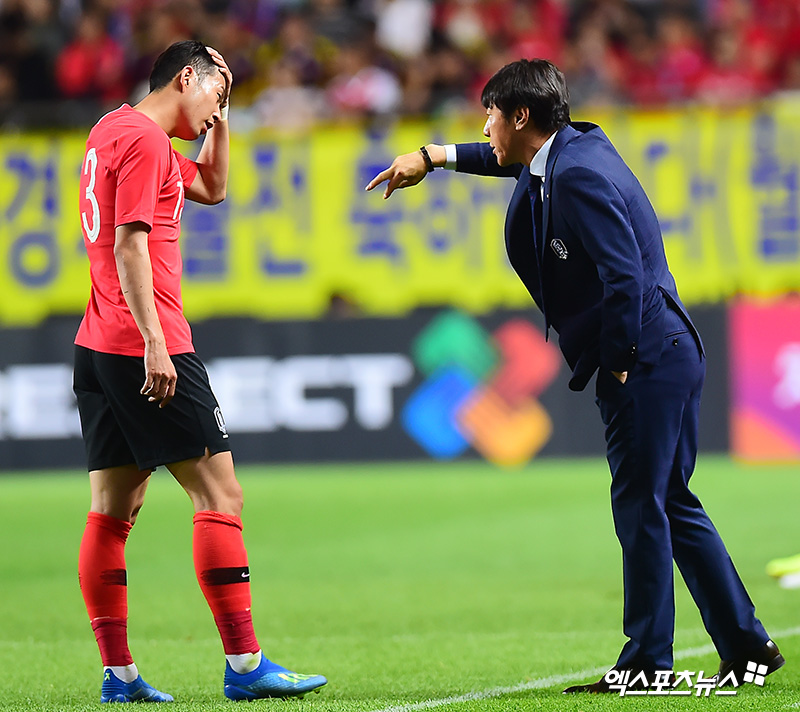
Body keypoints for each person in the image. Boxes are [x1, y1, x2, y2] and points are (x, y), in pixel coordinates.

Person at [366, 58, 784, 692]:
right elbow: (504, 158)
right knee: (670, 500)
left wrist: (616, 363)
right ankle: (747, 644)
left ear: (521, 117)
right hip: (665, 347)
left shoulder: (578, 176)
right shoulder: (569, 150)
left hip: (645, 356)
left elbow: (625, 278)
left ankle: (648, 661)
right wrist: (435, 156)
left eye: (491, 114)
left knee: (642, 505)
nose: (486, 126)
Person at [73, 40, 327, 703]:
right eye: (218, 93)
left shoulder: (115, 131)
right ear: (188, 76)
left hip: (98, 342)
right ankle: (245, 666)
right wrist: (156, 342)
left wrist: (219, 112)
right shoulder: (149, 144)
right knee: (221, 497)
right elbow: (131, 245)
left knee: (111, 513)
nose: (220, 107)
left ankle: (119, 675)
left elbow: (212, 186)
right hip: (144, 344)